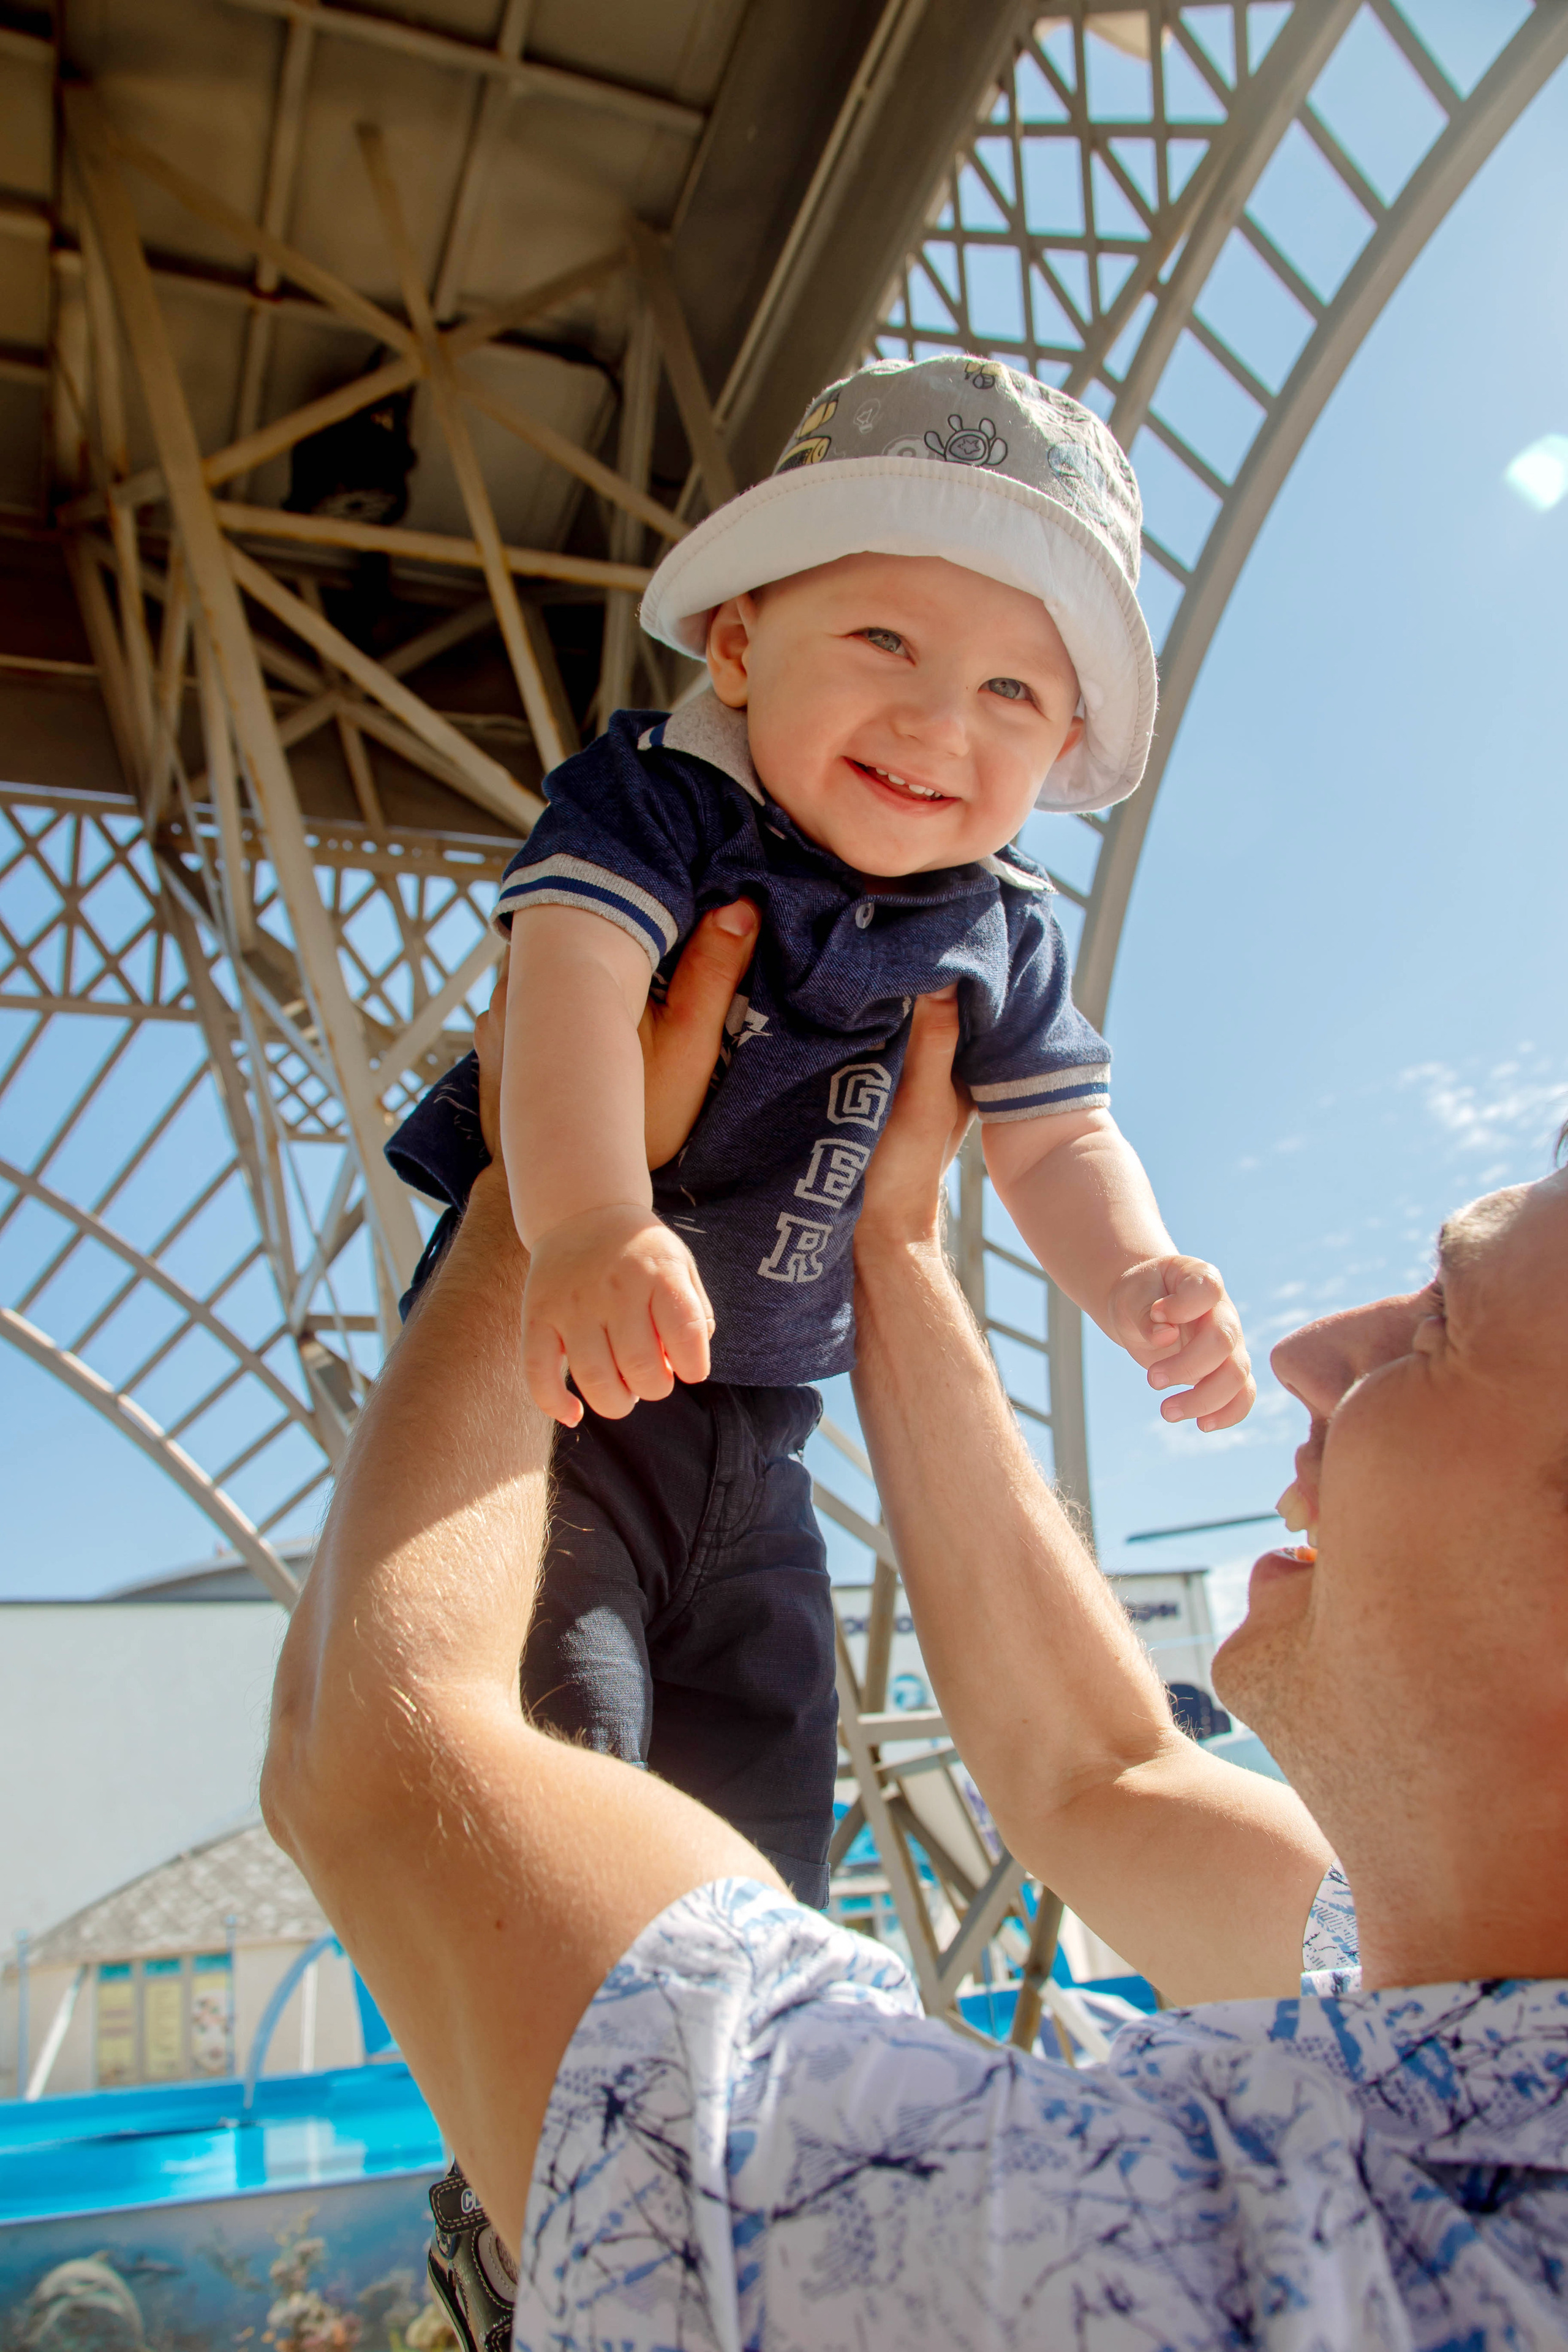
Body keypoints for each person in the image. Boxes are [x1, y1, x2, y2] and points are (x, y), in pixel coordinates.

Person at [264, 937, 1568, 2348]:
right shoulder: (1474, 2030)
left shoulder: (1140, 2271)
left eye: (1438, 1326)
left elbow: (385, 1762)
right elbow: (1100, 1772)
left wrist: (546, 1182)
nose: (1313, 1351)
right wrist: (887, 1241)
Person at [385, 350, 1253, 1923]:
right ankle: (551, 2063)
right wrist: (585, 1222)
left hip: (764, 1431)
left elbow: (1058, 1139)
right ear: (736, 645)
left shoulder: (1002, 929)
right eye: (883, 639)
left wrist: (1136, 1278)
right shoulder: (659, 804)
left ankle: (758, 2028)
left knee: (768, 1782)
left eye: (1011, 692)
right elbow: (568, 985)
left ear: (1061, 746)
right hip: (558, 1390)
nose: (935, 718)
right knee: (561, 1759)